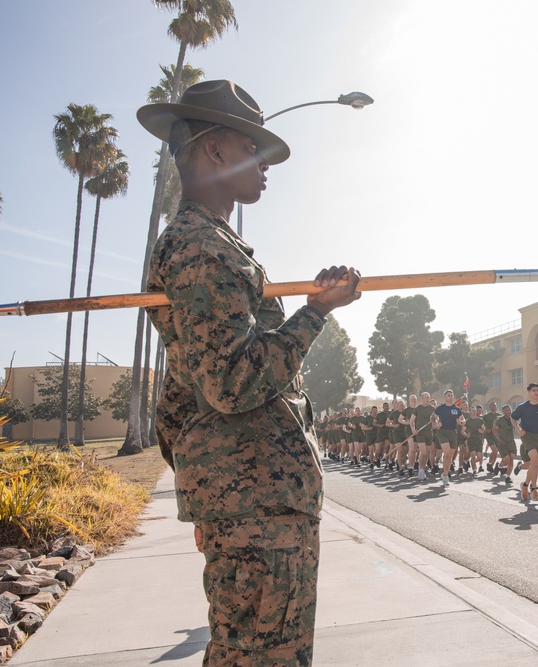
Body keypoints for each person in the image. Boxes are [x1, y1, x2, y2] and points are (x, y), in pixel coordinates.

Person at [140, 80, 361, 665]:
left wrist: (203, 484)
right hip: (256, 504)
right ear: (214, 150)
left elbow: (179, 396)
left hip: (251, 500)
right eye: (253, 149)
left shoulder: (215, 244)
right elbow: (231, 382)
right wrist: (315, 313)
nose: (266, 167)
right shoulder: (201, 248)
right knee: (263, 657)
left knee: (254, 652)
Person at [511, 383, 538, 500]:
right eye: (534, 390)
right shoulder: (523, 406)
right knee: (534, 459)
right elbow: (513, 418)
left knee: (535, 464)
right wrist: (518, 430)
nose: (536, 392)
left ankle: (525, 485)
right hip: (527, 436)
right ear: (529, 392)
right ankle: (534, 489)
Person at [434, 390, 463, 485]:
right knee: (446, 453)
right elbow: (432, 417)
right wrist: (436, 423)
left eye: (451, 395)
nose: (450, 397)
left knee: (450, 456)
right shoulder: (440, 408)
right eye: (448, 395)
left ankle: (445, 474)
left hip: (453, 432)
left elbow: (463, 420)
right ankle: (446, 475)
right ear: (444, 397)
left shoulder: (457, 409)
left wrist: (461, 422)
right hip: (442, 431)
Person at [493, 404, 517, 484]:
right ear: (503, 412)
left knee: (511, 460)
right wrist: (499, 439)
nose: (508, 412)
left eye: (509, 410)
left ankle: (508, 477)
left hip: (511, 442)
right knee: (507, 460)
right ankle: (499, 466)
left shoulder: (513, 419)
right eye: (506, 410)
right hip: (502, 443)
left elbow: (517, 428)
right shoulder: (500, 420)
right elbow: (494, 430)